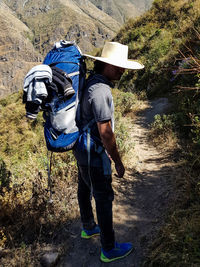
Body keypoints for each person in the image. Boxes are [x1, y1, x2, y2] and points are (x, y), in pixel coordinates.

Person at [73, 41, 144, 263]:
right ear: (106, 65)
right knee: (103, 198)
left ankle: (88, 227)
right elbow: (106, 133)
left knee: (84, 186)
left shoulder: (90, 83)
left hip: (81, 149)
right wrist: (118, 161)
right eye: (118, 66)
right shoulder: (101, 90)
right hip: (94, 153)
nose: (122, 70)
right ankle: (109, 248)